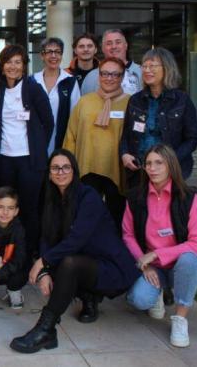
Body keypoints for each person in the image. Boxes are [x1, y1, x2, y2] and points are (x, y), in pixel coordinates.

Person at [10, 149, 139, 354]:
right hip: (85, 261)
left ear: (74, 170)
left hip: (111, 266)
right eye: (55, 168)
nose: (60, 172)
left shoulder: (89, 196)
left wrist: (41, 262)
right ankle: (87, 297)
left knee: (68, 263)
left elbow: (76, 239)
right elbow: (46, 237)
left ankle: (46, 328)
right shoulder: (52, 198)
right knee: (64, 261)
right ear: (49, 173)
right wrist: (44, 271)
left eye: (66, 167)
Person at [122, 144, 197, 348]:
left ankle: (180, 319)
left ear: (171, 165)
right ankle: (159, 291)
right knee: (138, 300)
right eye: (148, 163)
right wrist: (145, 264)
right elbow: (127, 235)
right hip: (156, 268)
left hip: (181, 265)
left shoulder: (188, 197)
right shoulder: (135, 197)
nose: (152, 168)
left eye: (159, 163)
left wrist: (155, 254)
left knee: (189, 259)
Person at [0, 44, 53, 257]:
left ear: (24, 66)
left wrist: (37, 146)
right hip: (6, 159)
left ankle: (30, 252)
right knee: (6, 208)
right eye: (9, 62)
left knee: (28, 208)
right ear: (2, 66)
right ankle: (8, 250)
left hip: (29, 160)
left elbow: (48, 121)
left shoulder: (33, 88)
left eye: (18, 62)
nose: (13, 66)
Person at [63, 57, 130, 228]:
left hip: (116, 169)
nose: (109, 78)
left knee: (115, 216)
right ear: (99, 76)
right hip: (87, 168)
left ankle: (112, 249)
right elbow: (71, 135)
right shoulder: (85, 101)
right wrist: (68, 165)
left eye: (115, 74)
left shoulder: (130, 102)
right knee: (86, 214)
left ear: (122, 77)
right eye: (105, 73)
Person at [120, 47, 197, 188]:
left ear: (167, 68)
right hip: (139, 171)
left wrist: (170, 160)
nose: (147, 70)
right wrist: (125, 154)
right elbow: (126, 134)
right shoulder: (135, 100)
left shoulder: (182, 100)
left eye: (152, 66)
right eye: (144, 66)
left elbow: (192, 139)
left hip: (170, 172)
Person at [32, 37, 80, 154]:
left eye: (57, 52)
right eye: (49, 52)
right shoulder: (32, 81)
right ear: (42, 56)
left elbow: (75, 116)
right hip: (35, 141)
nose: (53, 56)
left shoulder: (70, 81)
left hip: (61, 140)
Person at [81, 29, 142, 96]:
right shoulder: (91, 77)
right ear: (103, 48)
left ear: (126, 45)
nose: (114, 46)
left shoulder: (141, 72)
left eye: (118, 42)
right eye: (109, 43)